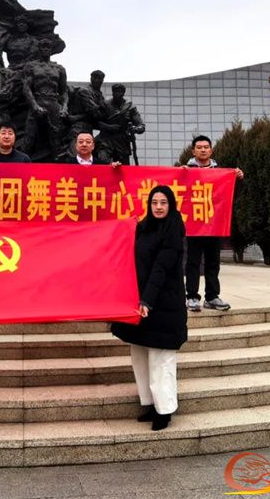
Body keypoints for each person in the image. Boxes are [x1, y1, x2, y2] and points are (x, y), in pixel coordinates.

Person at [111, 185, 187, 431]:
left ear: (170, 204)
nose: (158, 207)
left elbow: (161, 268)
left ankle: (165, 411)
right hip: (140, 303)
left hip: (163, 305)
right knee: (140, 355)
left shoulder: (173, 229)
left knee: (160, 359)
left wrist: (147, 301)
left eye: (163, 202)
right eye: (154, 202)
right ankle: (151, 404)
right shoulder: (143, 227)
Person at [183, 135, 244, 312]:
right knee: (193, 262)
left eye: (206, 147)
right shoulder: (185, 170)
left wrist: (238, 180)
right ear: (193, 151)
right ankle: (191, 296)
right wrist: (180, 174)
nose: (203, 150)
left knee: (213, 262)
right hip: (194, 224)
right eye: (199, 147)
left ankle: (212, 297)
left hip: (214, 223)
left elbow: (231, 196)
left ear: (211, 150)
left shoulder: (221, 172)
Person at [22, 38, 69, 161]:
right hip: (38, 100)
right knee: (29, 138)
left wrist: (64, 108)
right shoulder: (31, 66)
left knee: (56, 140)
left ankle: (57, 169)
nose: (45, 49)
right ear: (39, 49)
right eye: (43, 46)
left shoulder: (59, 68)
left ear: (51, 49)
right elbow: (26, 88)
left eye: (48, 46)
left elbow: (64, 91)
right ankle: (20, 167)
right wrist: (35, 106)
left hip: (53, 103)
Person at [95, 84, 145, 165]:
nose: (118, 94)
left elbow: (141, 125)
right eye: (116, 92)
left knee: (124, 167)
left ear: (123, 93)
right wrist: (110, 127)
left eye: (120, 92)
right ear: (112, 92)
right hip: (106, 140)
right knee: (102, 161)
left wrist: (135, 129)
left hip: (122, 142)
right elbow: (97, 122)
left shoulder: (130, 107)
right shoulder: (105, 105)